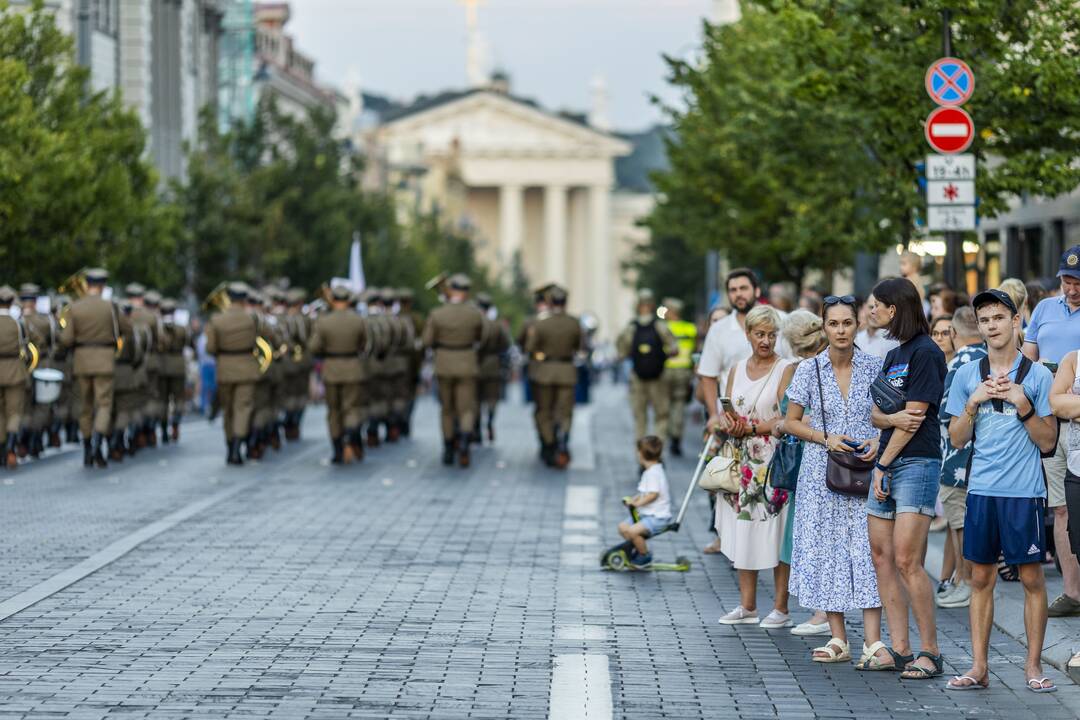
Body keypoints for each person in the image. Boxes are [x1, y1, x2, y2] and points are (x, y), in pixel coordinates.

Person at [946, 289, 1058, 692]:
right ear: (979, 327)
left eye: (998, 317)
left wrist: (1022, 403)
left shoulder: (1038, 375)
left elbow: (1047, 442)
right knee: (980, 579)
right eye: (985, 319)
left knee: (1031, 580)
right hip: (981, 490)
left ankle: (1032, 667)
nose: (992, 325)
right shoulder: (966, 374)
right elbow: (956, 440)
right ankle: (978, 667)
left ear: (1016, 321)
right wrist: (973, 404)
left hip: (1023, 493)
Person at [782, 296, 891, 666]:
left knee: (867, 550)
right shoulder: (808, 370)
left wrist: (879, 442)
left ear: (856, 325)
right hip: (821, 470)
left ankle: (873, 642)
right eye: (834, 324)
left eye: (847, 323)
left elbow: (890, 417)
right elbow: (791, 422)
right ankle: (838, 638)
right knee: (828, 550)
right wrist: (824, 438)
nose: (841, 330)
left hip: (865, 469)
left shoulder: (876, 366)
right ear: (824, 328)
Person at [867, 277, 948, 680]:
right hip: (887, 460)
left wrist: (882, 464)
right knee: (882, 558)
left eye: (876, 305)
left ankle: (930, 651)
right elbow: (877, 415)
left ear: (894, 308)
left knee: (907, 559)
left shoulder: (926, 353)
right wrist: (890, 421)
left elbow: (914, 418)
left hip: (914, 464)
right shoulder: (892, 354)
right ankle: (898, 648)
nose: (871, 311)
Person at [714, 305, 793, 629]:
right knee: (742, 527)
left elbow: (788, 415)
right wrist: (728, 422)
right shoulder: (736, 368)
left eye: (772, 335)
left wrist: (752, 428)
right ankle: (747, 605)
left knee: (775, 529)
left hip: (771, 458)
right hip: (740, 457)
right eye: (760, 334)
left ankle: (781, 607)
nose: (766, 341)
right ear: (748, 335)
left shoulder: (786, 367)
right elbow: (729, 407)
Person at [1023, 245, 1080, 620]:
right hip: (1049, 418)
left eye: (1078, 283)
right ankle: (1072, 591)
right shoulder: (1044, 309)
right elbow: (1025, 358)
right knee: (1060, 508)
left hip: (1075, 415)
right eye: (1066, 280)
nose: (1072, 289)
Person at [772, 309, 830, 637]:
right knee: (805, 534)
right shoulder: (801, 369)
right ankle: (819, 609)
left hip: (819, 459)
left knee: (815, 533)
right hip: (805, 463)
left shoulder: (808, 369)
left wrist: (792, 423)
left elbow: (800, 417)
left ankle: (823, 612)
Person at [698, 269, 789, 437]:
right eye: (733, 290)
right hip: (732, 422)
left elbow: (796, 365)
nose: (738, 294)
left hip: (773, 422)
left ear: (756, 291)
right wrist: (713, 415)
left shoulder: (782, 320)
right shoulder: (718, 329)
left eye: (743, 288)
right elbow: (708, 374)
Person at [934, 306, 984, 610]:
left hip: (957, 457)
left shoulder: (961, 361)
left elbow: (945, 411)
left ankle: (965, 581)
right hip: (976, 455)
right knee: (960, 522)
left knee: (960, 523)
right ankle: (959, 581)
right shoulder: (987, 357)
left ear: (954, 333)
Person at [60, 268, 125, 469]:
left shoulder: (75, 307)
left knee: (85, 407)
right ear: (103, 286)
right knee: (104, 405)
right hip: (105, 360)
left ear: (87, 285)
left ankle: (88, 448)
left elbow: (66, 339)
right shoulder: (110, 307)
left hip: (82, 361)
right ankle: (98, 440)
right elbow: (124, 330)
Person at [422, 273, 485, 468]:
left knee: (447, 409)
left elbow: (426, 341)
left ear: (450, 290)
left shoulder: (437, 314)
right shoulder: (475, 314)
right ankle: (465, 443)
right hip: (467, 362)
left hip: (444, 364)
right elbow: (481, 338)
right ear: (466, 293)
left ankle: (449, 448)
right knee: (466, 409)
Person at [524, 285, 582, 467]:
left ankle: (549, 444)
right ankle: (563, 439)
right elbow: (580, 346)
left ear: (550, 302)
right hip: (566, 371)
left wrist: (542, 355)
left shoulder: (541, 323)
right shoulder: (574, 323)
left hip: (545, 372)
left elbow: (530, 348)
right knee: (565, 411)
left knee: (544, 411)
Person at [309, 285, 368, 464]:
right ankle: (350, 439)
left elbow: (314, 347)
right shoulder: (358, 320)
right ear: (348, 300)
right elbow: (364, 344)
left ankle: (337, 450)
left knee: (334, 410)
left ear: (333, 300)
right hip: (352, 367)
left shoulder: (324, 321)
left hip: (332, 369)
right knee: (351, 407)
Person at [205, 282, 260, 465]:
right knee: (242, 408)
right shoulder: (252, 318)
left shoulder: (217, 319)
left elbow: (210, 348)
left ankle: (230, 447)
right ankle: (237, 447)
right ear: (244, 299)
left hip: (225, 369)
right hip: (246, 368)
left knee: (228, 410)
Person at [616, 289, 678, 443]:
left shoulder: (631, 328)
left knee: (640, 418)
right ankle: (657, 454)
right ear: (652, 305)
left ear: (638, 305)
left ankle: (641, 456)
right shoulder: (660, 326)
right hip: (658, 377)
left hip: (637, 377)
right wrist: (660, 357)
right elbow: (674, 349)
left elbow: (621, 353)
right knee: (661, 416)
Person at [617, 435, 672, 568]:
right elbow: (645, 492)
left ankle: (644, 555)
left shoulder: (653, 473)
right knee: (623, 527)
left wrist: (637, 504)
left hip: (657, 517)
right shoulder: (651, 471)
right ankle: (638, 547)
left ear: (641, 454)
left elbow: (653, 495)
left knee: (632, 531)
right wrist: (634, 498)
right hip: (647, 514)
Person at [661, 297, 697, 456]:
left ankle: (667, 434)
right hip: (684, 372)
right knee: (679, 405)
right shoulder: (690, 328)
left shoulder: (662, 327)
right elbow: (694, 350)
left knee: (665, 405)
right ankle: (676, 437)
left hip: (665, 371)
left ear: (670, 311)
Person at [0, 286, 29, 469]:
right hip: (14, 371)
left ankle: (2, 449)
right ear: (11, 303)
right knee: (14, 412)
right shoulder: (17, 322)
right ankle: (11, 447)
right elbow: (25, 349)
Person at [476, 293, 510, 444]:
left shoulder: (474, 324)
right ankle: (489, 420)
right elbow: (505, 345)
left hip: (475, 364)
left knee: (475, 398)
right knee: (491, 399)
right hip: (493, 366)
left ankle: (475, 428)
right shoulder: (497, 326)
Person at [856, 294, 899, 359]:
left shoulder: (894, 343)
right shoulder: (856, 338)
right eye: (871, 307)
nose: (874, 312)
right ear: (864, 307)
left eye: (879, 309)